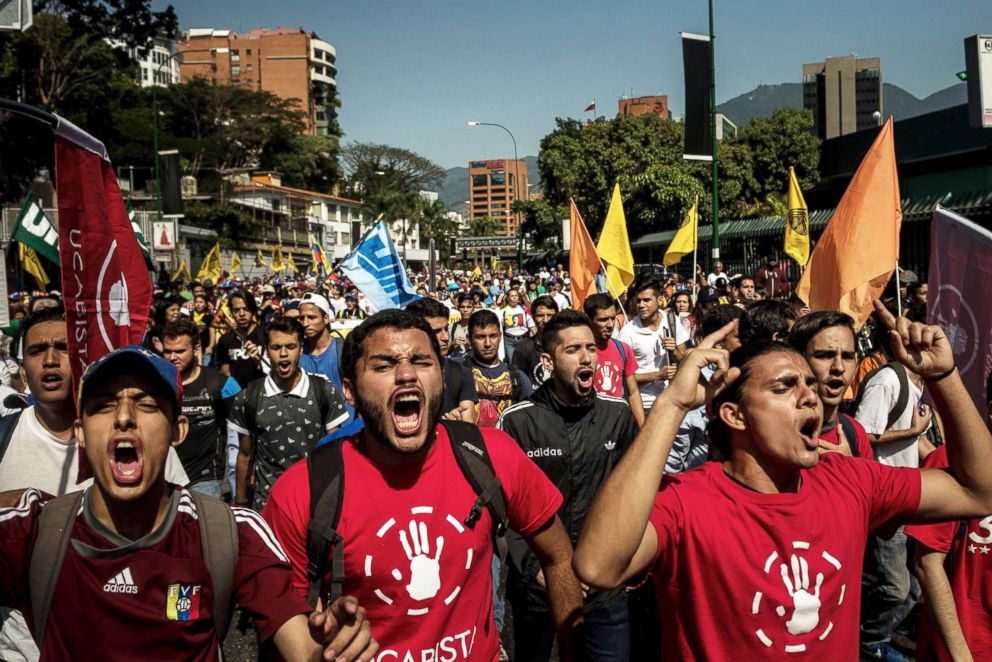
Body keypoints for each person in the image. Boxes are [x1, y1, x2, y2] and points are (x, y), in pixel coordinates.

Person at [575, 300, 992, 660]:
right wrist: (672, 405)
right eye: (785, 386)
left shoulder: (850, 480)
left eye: (809, 384)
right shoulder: (687, 501)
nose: (810, 394)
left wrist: (944, 376)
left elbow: (979, 492)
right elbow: (597, 566)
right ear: (734, 415)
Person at [0, 345, 378, 661]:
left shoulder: (229, 532)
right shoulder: (34, 532)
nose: (125, 418)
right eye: (103, 405)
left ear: (178, 429)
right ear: (81, 433)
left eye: (147, 405)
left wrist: (331, 649)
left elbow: (300, 643)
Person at [262, 309, 583, 661]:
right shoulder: (302, 492)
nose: (406, 375)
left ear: (442, 380)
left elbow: (559, 558)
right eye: (383, 366)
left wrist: (573, 651)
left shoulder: (493, 454)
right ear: (349, 391)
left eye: (422, 362)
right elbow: (282, 622)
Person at [498, 310, 637, 661]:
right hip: (537, 593)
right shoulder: (518, 421)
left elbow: (633, 497)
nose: (587, 357)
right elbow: (505, 511)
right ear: (548, 359)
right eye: (574, 349)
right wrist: (537, 569)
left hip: (604, 589)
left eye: (590, 347)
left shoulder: (617, 415)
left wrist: (620, 561)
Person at [855, 306, 935, 659]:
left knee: (917, 586)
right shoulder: (887, 380)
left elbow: (918, 444)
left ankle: (873, 636)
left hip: (913, 496)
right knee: (895, 589)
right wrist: (912, 430)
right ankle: (865, 637)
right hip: (887, 497)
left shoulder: (922, 383)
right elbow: (862, 435)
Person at [230, 317, 349, 510]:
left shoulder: (325, 392)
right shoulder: (248, 398)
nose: (284, 354)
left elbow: (335, 452)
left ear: (301, 349)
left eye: (291, 346)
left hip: (315, 505)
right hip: (267, 506)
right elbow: (244, 455)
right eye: (276, 347)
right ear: (266, 350)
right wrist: (241, 507)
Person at [161, 319, 243, 497]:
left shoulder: (221, 384)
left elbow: (246, 427)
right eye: (167, 351)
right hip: (164, 476)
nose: (173, 357)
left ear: (196, 349)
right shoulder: (155, 385)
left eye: (180, 351)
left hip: (205, 478)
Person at [788, 311, 874, 459]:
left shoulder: (854, 432)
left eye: (847, 356)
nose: (839, 367)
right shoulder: (775, 435)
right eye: (825, 356)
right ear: (799, 359)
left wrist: (852, 469)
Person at [618, 276, 689, 412]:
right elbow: (622, 377)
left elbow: (685, 362)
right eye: (638, 301)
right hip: (642, 405)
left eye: (647, 300)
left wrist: (673, 351)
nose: (641, 305)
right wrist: (657, 375)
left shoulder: (672, 321)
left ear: (660, 300)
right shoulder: (628, 332)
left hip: (670, 402)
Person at [405, 298, 479, 423]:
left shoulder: (460, 372)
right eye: (436, 332)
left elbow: (469, 426)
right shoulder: (401, 376)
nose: (445, 337)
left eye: (446, 329)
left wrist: (457, 427)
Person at [584, 293, 644, 428]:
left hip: (618, 426)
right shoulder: (580, 353)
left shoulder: (623, 349)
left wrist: (642, 427)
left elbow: (633, 392)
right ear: (589, 319)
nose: (610, 325)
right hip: (590, 427)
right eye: (603, 319)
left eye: (613, 318)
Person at [465, 310, 533, 427]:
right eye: (480, 337)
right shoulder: (460, 373)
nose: (488, 343)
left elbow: (530, 420)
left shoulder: (518, 378)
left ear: (500, 337)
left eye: (493, 336)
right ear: (469, 339)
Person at [297, 291, 354, 425]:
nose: (305, 323)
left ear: (326, 318)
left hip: (343, 430)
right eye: (301, 318)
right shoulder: (297, 352)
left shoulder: (343, 350)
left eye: (311, 317)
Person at [214, 290, 267, 388]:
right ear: (231, 313)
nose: (241, 314)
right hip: (237, 397)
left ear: (253, 310)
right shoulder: (225, 340)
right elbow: (225, 371)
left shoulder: (266, 335)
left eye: (246, 309)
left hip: (263, 395)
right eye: (236, 310)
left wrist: (258, 362)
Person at [511, 295, 558, 389]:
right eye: (540, 316)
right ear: (533, 317)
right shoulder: (523, 347)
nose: (546, 320)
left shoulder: (566, 346)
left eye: (550, 315)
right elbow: (517, 382)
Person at [501, 289, 537, 362]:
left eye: (516, 295)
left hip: (524, 340)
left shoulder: (524, 309)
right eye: (512, 296)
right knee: (513, 364)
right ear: (507, 298)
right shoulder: (503, 311)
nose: (514, 297)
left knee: (526, 362)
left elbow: (532, 326)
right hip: (509, 342)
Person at [448, 293, 475, 360]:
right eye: (462, 307)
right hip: (458, 366)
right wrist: (453, 344)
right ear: (458, 308)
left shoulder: (479, 327)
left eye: (469, 307)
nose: (465, 310)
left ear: (473, 308)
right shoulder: (452, 327)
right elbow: (445, 352)